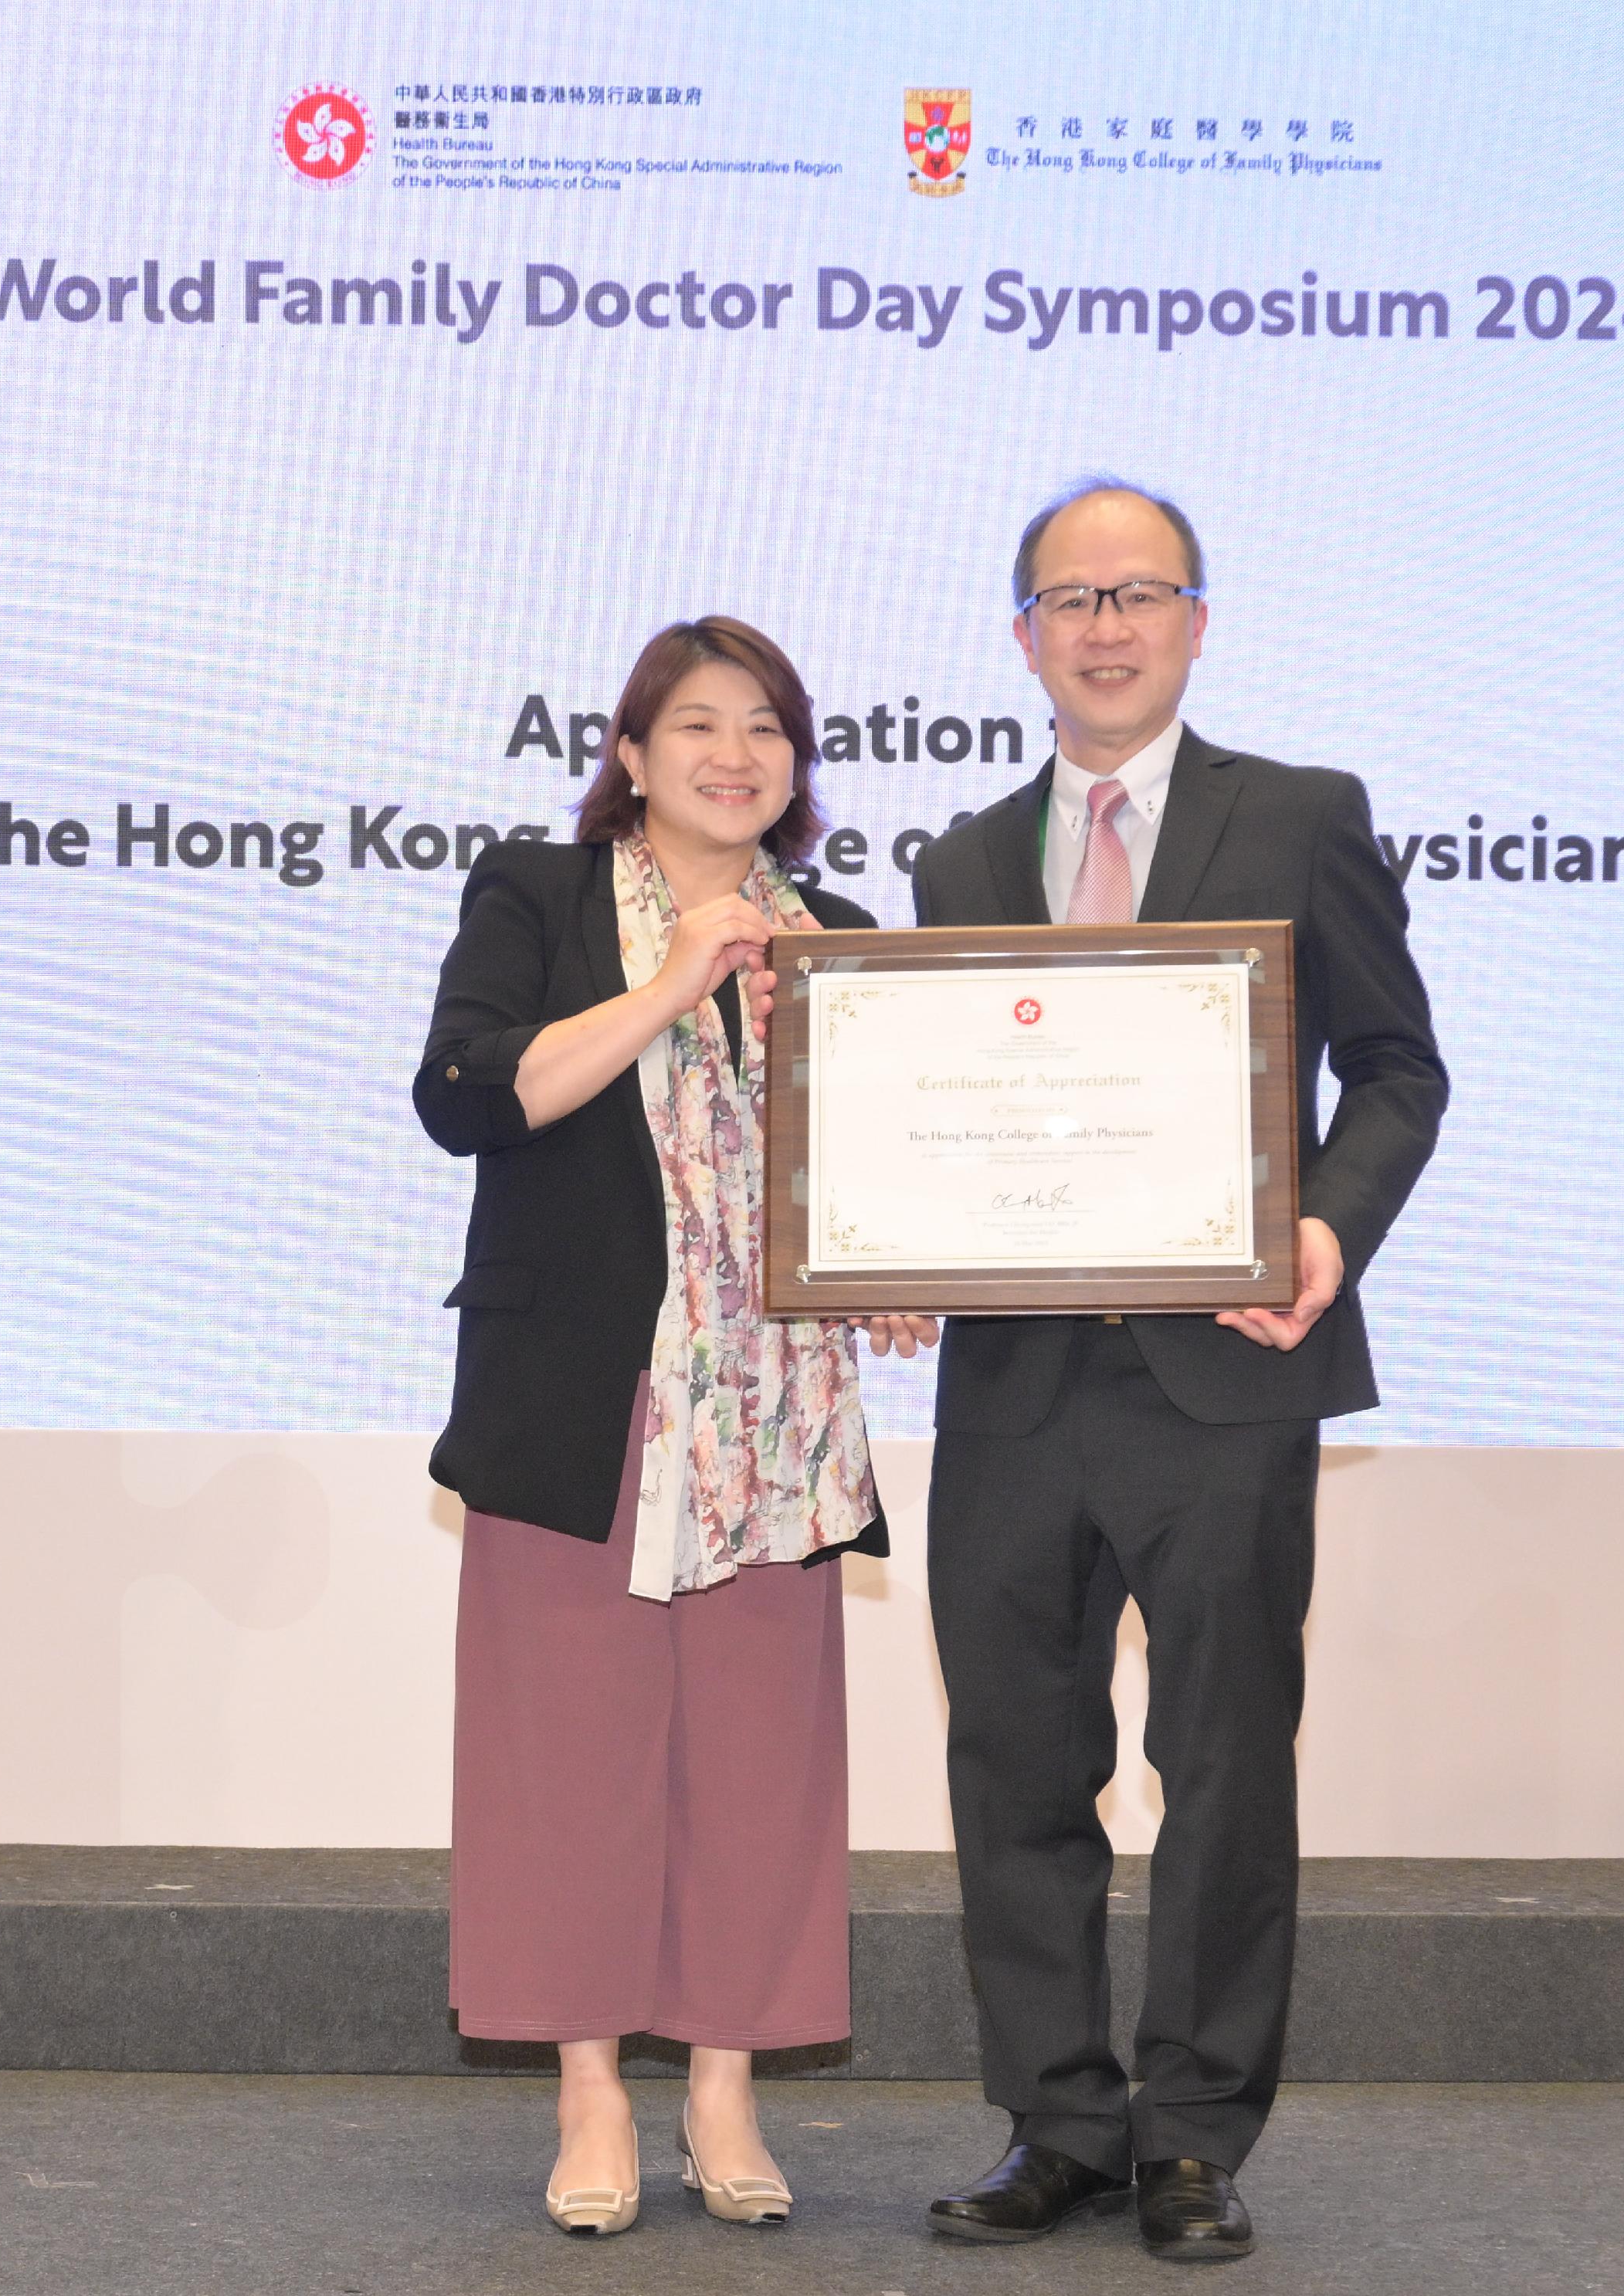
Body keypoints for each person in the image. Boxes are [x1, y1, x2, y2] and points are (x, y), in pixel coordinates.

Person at [912, 482, 1446, 2262]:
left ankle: (1194, 2137)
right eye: (1069, 596)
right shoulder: (960, 859)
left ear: (1195, 622)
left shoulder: (1297, 816)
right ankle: (1055, 2122)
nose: (1104, 623)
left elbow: (1394, 1068)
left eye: (1137, 591)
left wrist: (1326, 1226)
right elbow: (939, 1116)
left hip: (1224, 1370)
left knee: (1222, 1763)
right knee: (1012, 1759)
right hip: (1009, 1388)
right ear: (1022, 638)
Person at [414, 615, 935, 2238]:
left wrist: (897, 1267)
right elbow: (468, 1094)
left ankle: (722, 2082)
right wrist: (669, 982)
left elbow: (859, 1173)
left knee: (760, 1762)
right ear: (629, 755)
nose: (735, 751)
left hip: (770, 1414)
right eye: (696, 723)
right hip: (588, 1398)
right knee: (564, 1755)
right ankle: (588, 2086)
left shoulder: (836, 932)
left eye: (766, 725)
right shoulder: (541, 896)